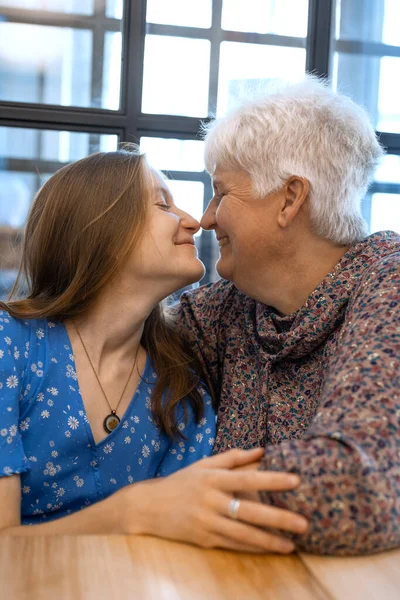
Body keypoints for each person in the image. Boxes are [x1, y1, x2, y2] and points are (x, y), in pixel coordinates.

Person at [0, 147, 307, 551]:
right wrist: (130, 513)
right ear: (101, 228)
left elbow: (183, 535)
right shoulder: (10, 345)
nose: (194, 222)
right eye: (163, 204)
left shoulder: (181, 388)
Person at [174, 76, 400, 556]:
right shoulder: (228, 310)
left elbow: (355, 487)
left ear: (291, 198)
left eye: (221, 193)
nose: (207, 218)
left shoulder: (390, 282)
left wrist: (162, 503)